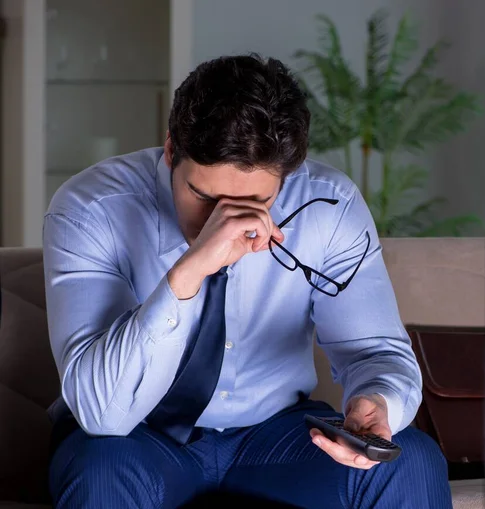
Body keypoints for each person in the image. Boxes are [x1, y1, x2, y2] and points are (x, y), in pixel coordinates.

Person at [43, 54, 452, 508]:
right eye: (204, 195)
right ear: (170, 150)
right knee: (100, 473)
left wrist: (378, 399)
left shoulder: (329, 208)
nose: (225, 220)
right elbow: (102, 415)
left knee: (411, 459)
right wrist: (189, 272)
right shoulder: (91, 208)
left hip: (275, 435)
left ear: (286, 176)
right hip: (138, 439)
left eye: (255, 201)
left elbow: (375, 350)